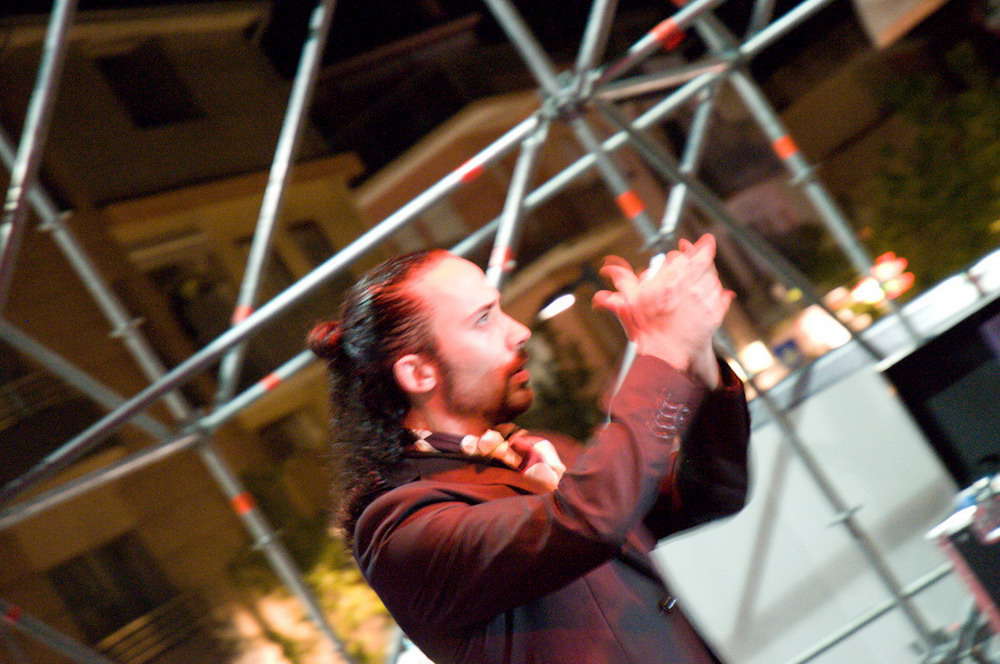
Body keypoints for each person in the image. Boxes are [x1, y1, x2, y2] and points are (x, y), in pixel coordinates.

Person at [308, 233, 750, 663]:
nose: (519, 331)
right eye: (483, 319)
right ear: (419, 373)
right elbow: (591, 516)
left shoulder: (535, 451)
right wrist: (663, 352)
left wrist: (696, 361)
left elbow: (710, 492)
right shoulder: (402, 530)